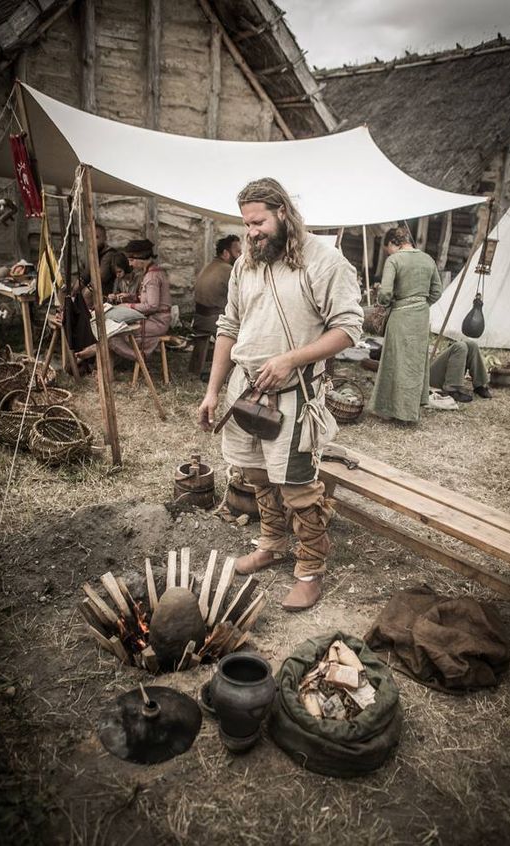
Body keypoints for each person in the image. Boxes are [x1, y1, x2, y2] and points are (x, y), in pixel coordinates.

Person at [198, 177, 363, 612]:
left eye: (259, 222)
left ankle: (310, 569)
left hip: (293, 392)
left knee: (296, 485)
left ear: (283, 212)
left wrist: (291, 359)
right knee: (253, 473)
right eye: (246, 224)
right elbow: (228, 328)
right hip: (245, 389)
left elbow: (348, 328)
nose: (251, 232)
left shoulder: (326, 263)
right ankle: (270, 542)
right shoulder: (245, 265)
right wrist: (214, 391)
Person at [369, 227, 442, 423]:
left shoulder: (394, 260)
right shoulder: (428, 259)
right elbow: (437, 291)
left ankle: (391, 409)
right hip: (421, 317)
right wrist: (420, 304)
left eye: (388, 248)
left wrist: (385, 305)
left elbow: (385, 293)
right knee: (415, 363)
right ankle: (410, 410)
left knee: (395, 361)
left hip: (400, 316)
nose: (388, 252)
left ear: (394, 243)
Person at [76, 238, 171, 363]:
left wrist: (128, 306)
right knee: (111, 329)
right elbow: (145, 299)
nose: (130, 264)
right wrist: (129, 297)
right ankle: (95, 352)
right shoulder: (149, 273)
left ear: (141, 258)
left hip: (157, 322)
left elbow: (152, 306)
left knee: (114, 332)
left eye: (132, 260)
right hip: (152, 319)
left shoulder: (152, 277)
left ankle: (137, 356)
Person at [193, 235, 242, 335]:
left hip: (199, 320)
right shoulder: (228, 270)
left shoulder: (209, 266)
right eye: (238, 252)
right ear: (225, 253)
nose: (241, 256)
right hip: (214, 323)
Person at [80, 223, 118, 302]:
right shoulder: (93, 252)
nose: (93, 240)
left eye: (97, 237)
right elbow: (85, 275)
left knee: (87, 294)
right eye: (91, 237)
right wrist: (74, 289)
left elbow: (101, 277)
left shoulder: (110, 254)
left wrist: (87, 289)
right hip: (94, 287)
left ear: (104, 238)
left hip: (106, 292)